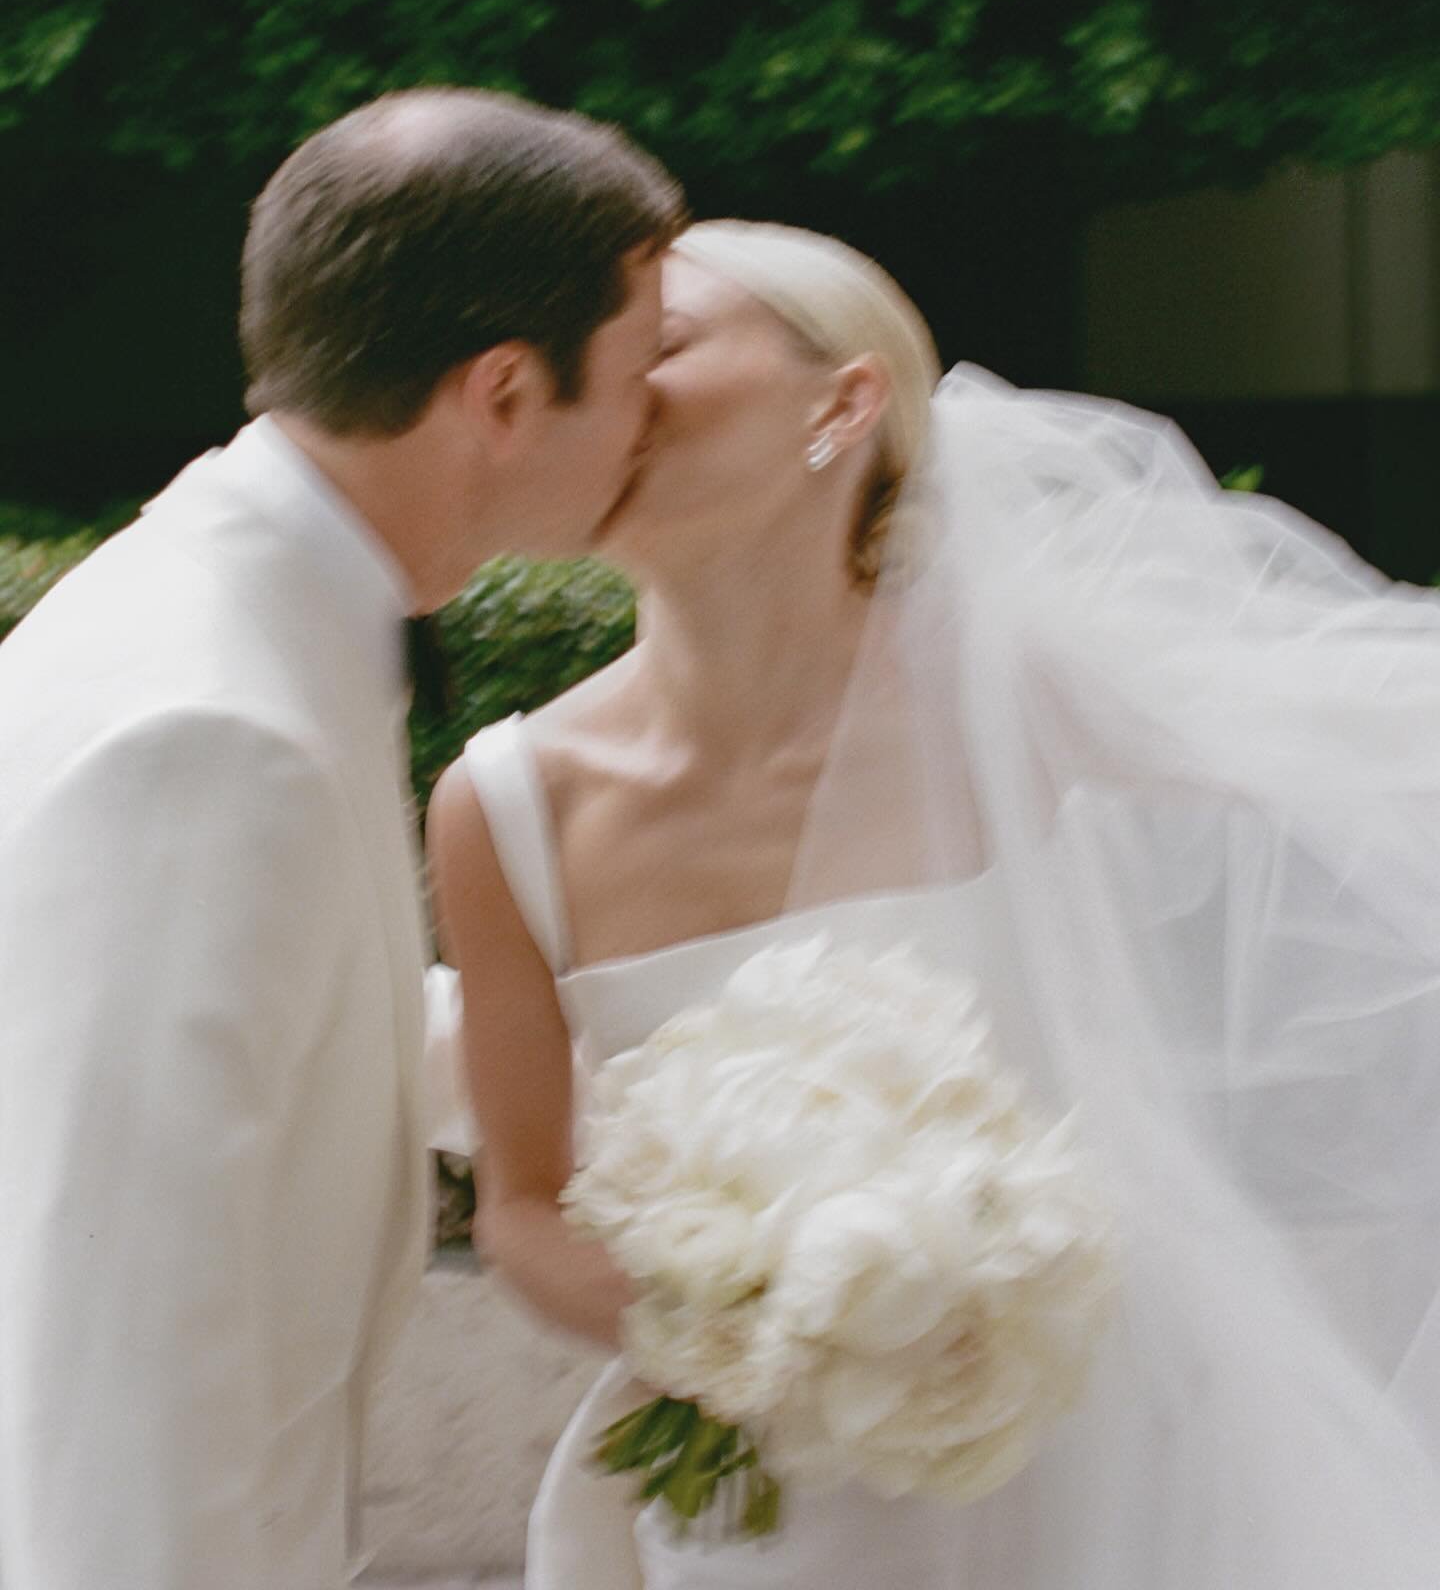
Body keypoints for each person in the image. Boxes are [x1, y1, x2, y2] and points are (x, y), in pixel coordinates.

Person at [429, 219, 1440, 1588]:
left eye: (660, 350)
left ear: (840, 405)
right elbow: (525, 1210)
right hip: (763, 1489)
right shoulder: (506, 807)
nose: (610, 397)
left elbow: (1389, 747)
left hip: (1093, 1465)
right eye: (594, 364)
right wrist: (767, 1327)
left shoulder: (1019, 696)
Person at [0, 86, 684, 1590]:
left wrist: (697, 1099)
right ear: (504, 394)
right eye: (640, 372)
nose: (659, 416)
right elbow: (117, 1364)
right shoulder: (202, 730)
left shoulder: (267, 616)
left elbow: (297, 1030)